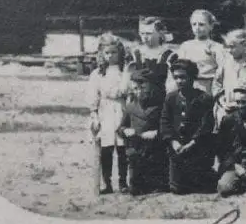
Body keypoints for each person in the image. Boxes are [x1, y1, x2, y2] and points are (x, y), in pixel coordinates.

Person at [160, 59, 216, 194]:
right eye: (176, 77)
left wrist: (192, 143)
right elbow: (165, 121)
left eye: (183, 77)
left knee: (202, 187)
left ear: (192, 77)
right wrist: (174, 142)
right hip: (177, 148)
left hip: (197, 147)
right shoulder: (170, 98)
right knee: (177, 189)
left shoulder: (204, 98)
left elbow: (206, 125)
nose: (179, 81)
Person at [89, 34, 130, 194]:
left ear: (120, 52)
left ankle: (123, 181)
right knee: (106, 148)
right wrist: (94, 115)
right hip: (105, 111)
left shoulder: (125, 71)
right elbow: (93, 96)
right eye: (107, 53)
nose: (110, 56)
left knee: (122, 147)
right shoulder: (98, 74)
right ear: (102, 54)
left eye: (114, 52)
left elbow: (128, 91)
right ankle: (107, 183)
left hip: (121, 109)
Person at [119, 66, 167, 196]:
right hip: (137, 149)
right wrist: (125, 130)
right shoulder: (131, 107)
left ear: (152, 87)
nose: (139, 92)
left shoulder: (161, 106)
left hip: (155, 150)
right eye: (135, 89)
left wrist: (157, 133)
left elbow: (168, 128)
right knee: (136, 188)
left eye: (143, 88)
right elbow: (120, 128)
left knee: (157, 185)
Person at [213, 29, 246, 123]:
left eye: (232, 47)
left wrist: (243, 98)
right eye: (227, 47)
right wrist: (222, 102)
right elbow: (217, 85)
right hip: (226, 108)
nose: (229, 51)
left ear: (244, 45)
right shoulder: (225, 64)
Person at [177, 10, 225, 94]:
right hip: (189, 86)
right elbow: (179, 68)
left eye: (201, 24)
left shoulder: (217, 47)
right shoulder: (185, 46)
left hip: (209, 87)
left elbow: (222, 69)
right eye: (194, 24)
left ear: (211, 26)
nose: (197, 27)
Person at [129, 17, 177, 90]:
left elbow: (173, 82)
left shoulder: (169, 55)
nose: (145, 37)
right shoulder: (136, 54)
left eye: (149, 33)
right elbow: (128, 79)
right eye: (142, 33)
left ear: (160, 33)